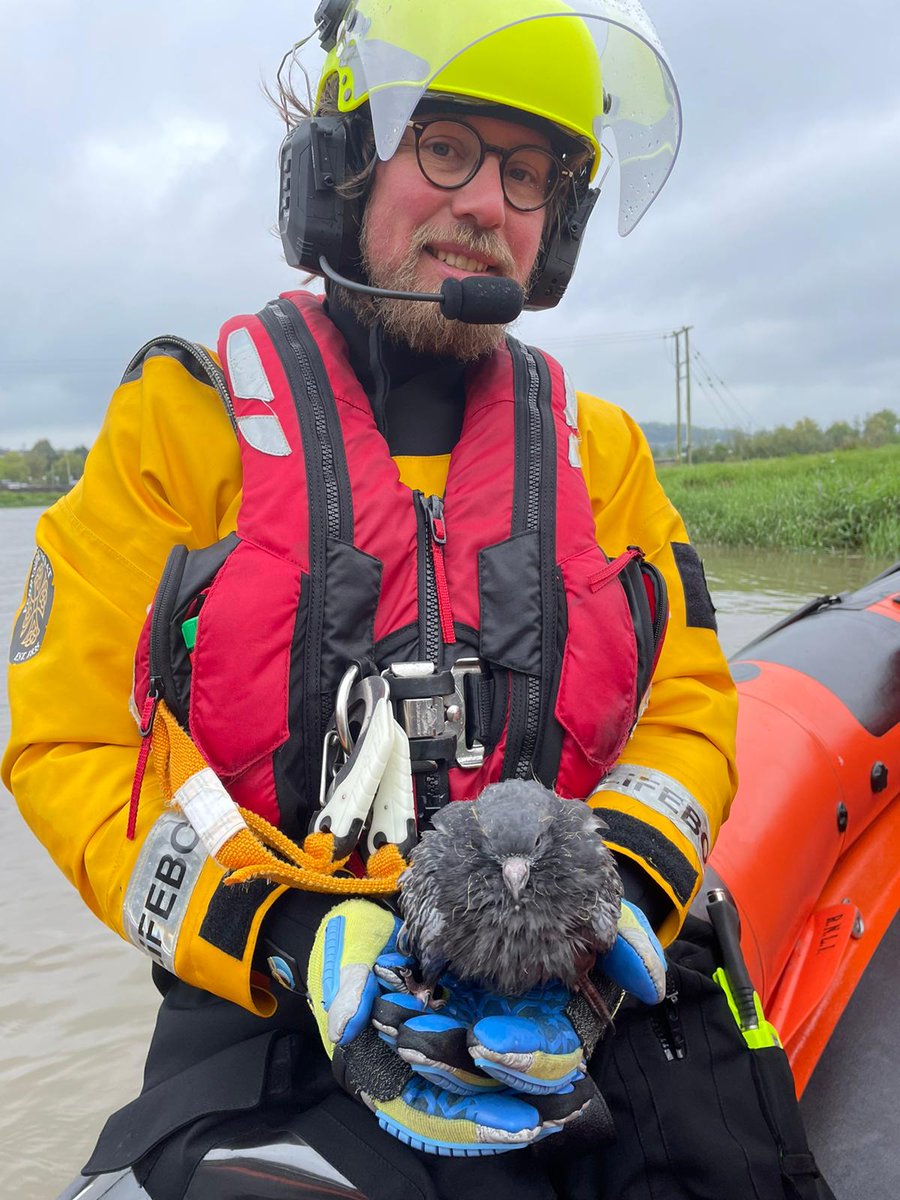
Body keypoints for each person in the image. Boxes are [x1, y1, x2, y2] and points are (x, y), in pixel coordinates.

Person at [5, 3, 821, 1198]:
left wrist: (623, 894)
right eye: (444, 146)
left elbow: (687, 701)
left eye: (528, 172)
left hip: (587, 984)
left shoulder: (606, 455)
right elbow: (73, 733)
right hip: (281, 1012)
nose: (486, 203)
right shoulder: (183, 431)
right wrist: (283, 936)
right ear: (347, 164)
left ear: (561, 222)